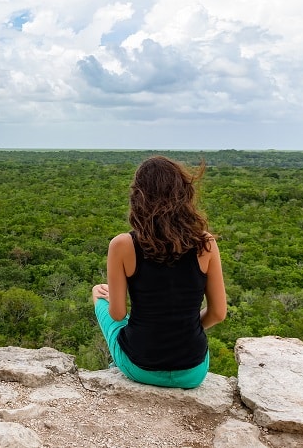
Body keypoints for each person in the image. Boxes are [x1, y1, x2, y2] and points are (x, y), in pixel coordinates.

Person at [92, 156, 227, 389]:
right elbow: (218, 314)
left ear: (139, 196)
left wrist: (109, 297)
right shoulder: (205, 243)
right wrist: (183, 326)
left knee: (98, 292)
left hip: (140, 366)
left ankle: (116, 366)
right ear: (184, 194)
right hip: (193, 371)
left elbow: (117, 314)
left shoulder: (123, 245)